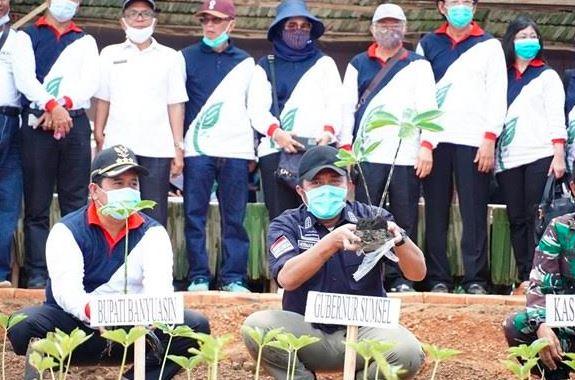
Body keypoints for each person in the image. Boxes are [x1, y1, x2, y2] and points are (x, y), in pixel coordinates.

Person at [7, 145, 210, 380]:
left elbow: (159, 292)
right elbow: (67, 293)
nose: (128, 190)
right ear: (94, 190)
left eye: (133, 184)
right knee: (25, 325)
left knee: (194, 325)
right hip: (77, 330)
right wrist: (95, 312)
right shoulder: (67, 230)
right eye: (117, 183)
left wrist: (143, 319)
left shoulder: (153, 233)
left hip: (135, 332)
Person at [241, 145, 426, 379]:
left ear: (349, 185)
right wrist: (331, 242)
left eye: (334, 181)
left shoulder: (368, 221)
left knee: (407, 352)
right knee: (257, 326)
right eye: (316, 183)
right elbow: (287, 278)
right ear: (301, 191)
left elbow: (417, 274)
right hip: (309, 333)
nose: (326, 189)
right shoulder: (289, 225)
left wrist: (400, 239)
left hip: (364, 333)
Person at [341, 3, 437, 293]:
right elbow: (345, 109)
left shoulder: (418, 64)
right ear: (372, 29)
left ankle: (402, 278)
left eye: (395, 24)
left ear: (404, 29)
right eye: (383, 24)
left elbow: (428, 108)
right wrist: (347, 150)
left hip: (405, 154)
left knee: (404, 216)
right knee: (370, 217)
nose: (389, 29)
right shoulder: (358, 63)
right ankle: (372, 276)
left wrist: (427, 147)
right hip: (367, 154)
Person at [416, 0, 507, 294]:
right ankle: (436, 277)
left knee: (474, 213)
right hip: (435, 142)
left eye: (466, 1)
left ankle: (475, 279)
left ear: (475, 7)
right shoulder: (428, 44)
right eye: (454, 1)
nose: (460, 7)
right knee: (435, 212)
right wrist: (425, 142)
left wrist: (490, 137)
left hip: (474, 141)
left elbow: (497, 94)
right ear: (442, 6)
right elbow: (421, 96)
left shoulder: (489, 45)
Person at [15, 0, 100, 288]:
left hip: (74, 123)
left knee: (75, 204)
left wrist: (61, 107)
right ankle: (37, 272)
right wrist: (50, 105)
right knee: (37, 206)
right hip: (36, 125)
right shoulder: (27, 35)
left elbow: (90, 82)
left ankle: (74, 274)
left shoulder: (85, 41)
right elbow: (25, 79)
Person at [180, 0, 254, 292]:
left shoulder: (246, 61)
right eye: (205, 20)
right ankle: (198, 275)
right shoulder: (184, 57)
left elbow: (253, 107)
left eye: (217, 20)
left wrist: (253, 150)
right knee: (194, 214)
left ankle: (233, 277)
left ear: (231, 24)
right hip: (197, 149)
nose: (210, 26)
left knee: (235, 217)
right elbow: (177, 103)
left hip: (235, 150)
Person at [94, 0, 187, 227]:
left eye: (145, 13)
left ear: (154, 20)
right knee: (117, 210)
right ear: (122, 20)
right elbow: (103, 99)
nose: (139, 18)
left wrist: (178, 148)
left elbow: (175, 105)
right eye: (133, 13)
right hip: (118, 146)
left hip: (157, 147)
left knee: (153, 214)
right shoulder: (109, 54)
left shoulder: (171, 57)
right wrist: (98, 135)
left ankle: (153, 261)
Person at [247, 0, 342, 220]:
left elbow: (336, 103)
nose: (298, 30)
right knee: (282, 219)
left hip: (318, 151)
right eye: (291, 25)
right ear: (280, 29)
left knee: (322, 218)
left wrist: (328, 132)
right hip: (276, 152)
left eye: (304, 25)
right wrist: (276, 133)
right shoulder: (265, 65)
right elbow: (256, 109)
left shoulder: (324, 63)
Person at [496, 16, 567, 293]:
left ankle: (542, 275)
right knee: (516, 219)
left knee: (536, 216)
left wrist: (558, 154)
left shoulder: (547, 76)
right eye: (522, 36)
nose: (528, 42)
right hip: (508, 159)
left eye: (533, 36)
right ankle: (525, 274)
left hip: (540, 155)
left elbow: (555, 117)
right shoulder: (501, 76)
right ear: (511, 41)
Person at [502, 169, 575, 380]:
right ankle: (554, 374)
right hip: (570, 317)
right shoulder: (560, 228)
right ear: (573, 188)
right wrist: (542, 324)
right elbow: (541, 285)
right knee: (518, 325)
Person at [0, 0, 21, 288]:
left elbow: (27, 82)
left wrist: (51, 104)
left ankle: (1, 273)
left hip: (12, 120)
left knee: (8, 201)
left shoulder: (18, 39)